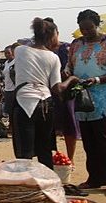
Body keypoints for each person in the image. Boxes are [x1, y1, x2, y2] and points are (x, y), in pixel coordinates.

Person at [66, 9, 106, 197]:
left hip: (101, 100)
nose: (85, 32)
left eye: (89, 28)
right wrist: (69, 76)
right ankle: (95, 178)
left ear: (97, 24)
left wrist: (98, 80)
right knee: (88, 142)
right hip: (81, 100)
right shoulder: (76, 44)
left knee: (104, 141)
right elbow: (69, 67)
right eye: (82, 29)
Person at [12, 17, 78, 169]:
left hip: (24, 102)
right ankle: (47, 184)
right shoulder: (53, 57)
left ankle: (25, 185)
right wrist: (71, 80)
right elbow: (57, 88)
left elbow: (25, 44)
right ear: (51, 36)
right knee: (45, 149)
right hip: (45, 104)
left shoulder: (20, 50)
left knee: (25, 152)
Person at [47, 17, 81, 166]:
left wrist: (66, 75)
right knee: (47, 127)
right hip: (47, 93)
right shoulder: (41, 52)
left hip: (66, 93)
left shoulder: (66, 48)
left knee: (69, 126)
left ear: (57, 33)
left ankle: (70, 158)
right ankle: (49, 158)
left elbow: (73, 67)